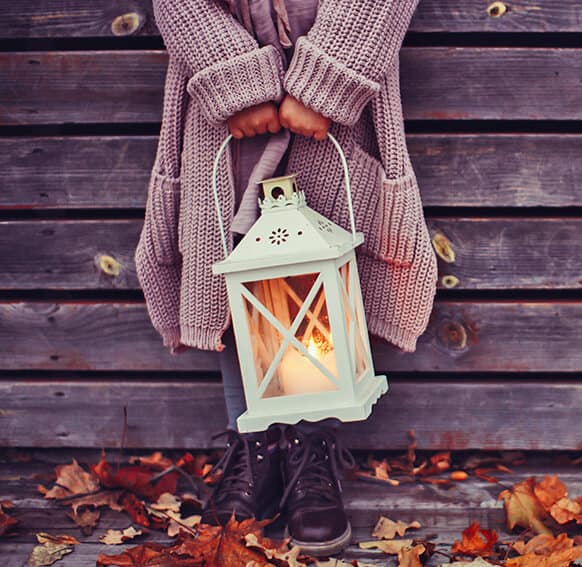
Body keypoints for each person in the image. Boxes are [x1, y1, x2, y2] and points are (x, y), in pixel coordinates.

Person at [135, 0, 438, 555]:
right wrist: (233, 80)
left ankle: (310, 450)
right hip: (222, 114)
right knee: (233, 272)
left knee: (318, 273)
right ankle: (256, 448)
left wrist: (326, 81)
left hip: (334, 116)